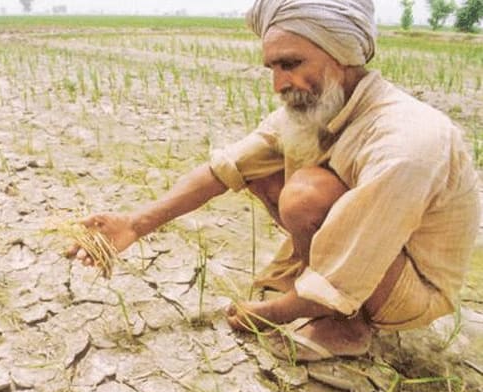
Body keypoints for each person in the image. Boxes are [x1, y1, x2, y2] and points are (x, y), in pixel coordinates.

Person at [67, 0, 480, 361]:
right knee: (263, 172)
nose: (280, 84)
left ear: (341, 54)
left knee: (303, 195)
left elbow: (368, 241)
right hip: (372, 253)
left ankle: (344, 321)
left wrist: (275, 312)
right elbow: (223, 169)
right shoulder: (316, 109)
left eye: (291, 64)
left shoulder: (406, 140)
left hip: (412, 288)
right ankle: (315, 292)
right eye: (274, 67)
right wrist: (134, 224)